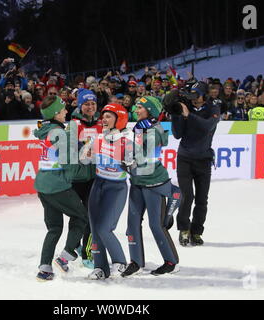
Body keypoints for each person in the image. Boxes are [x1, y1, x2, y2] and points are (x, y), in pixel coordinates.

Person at [121, 96, 180, 277]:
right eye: (136, 106)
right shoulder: (139, 127)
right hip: (137, 182)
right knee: (132, 225)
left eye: (140, 107)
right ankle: (136, 262)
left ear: (150, 111)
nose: (136, 109)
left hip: (153, 183)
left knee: (156, 225)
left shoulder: (154, 129)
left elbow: (150, 146)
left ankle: (171, 262)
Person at [33, 95, 88, 282]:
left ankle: (45, 268)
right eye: (63, 110)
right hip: (57, 185)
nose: (66, 112)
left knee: (54, 228)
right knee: (82, 217)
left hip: (43, 185)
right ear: (56, 113)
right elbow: (71, 165)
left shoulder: (46, 130)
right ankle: (66, 256)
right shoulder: (60, 133)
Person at [169, 81, 220, 246]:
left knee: (202, 199)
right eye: (190, 94)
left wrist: (188, 115)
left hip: (204, 160)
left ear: (203, 95)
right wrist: (177, 115)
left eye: (196, 94)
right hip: (184, 158)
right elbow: (177, 134)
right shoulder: (186, 107)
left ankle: (196, 231)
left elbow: (207, 127)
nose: (193, 98)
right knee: (187, 196)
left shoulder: (213, 109)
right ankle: (184, 229)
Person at [86, 103, 130, 280]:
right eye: (103, 116)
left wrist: (130, 163)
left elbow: (138, 165)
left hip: (116, 187)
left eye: (108, 116)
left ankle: (119, 261)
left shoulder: (127, 140)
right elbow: (84, 158)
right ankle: (100, 267)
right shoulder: (97, 138)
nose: (103, 119)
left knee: (105, 228)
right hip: (98, 184)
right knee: (95, 229)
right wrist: (86, 152)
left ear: (119, 120)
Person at [70, 88, 103, 269]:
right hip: (77, 177)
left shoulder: (101, 123)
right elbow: (69, 147)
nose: (90, 107)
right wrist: (85, 146)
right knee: (78, 216)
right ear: (80, 105)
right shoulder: (74, 123)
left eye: (93, 103)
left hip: (95, 177)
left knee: (92, 216)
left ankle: (87, 253)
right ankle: (75, 243)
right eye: (87, 104)